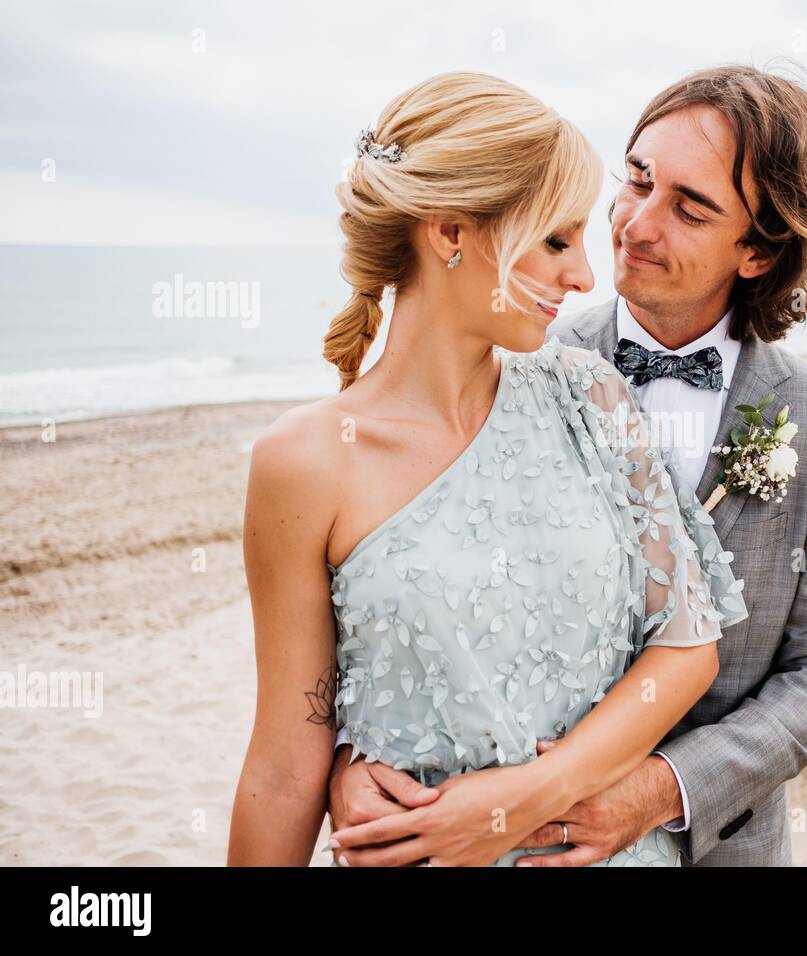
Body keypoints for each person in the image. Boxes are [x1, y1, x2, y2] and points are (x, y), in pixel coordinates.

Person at [327, 64, 807, 867]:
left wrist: (658, 789)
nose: (633, 225)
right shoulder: (512, 352)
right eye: (638, 179)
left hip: (721, 847)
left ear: (757, 252)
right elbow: (402, 585)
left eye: (689, 208)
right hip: (495, 834)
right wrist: (357, 755)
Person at [227, 71, 747, 867]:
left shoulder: (593, 398)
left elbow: (684, 649)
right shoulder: (300, 464)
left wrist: (523, 801)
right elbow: (283, 761)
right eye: (555, 240)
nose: (584, 276)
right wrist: (342, 766)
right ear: (450, 233)